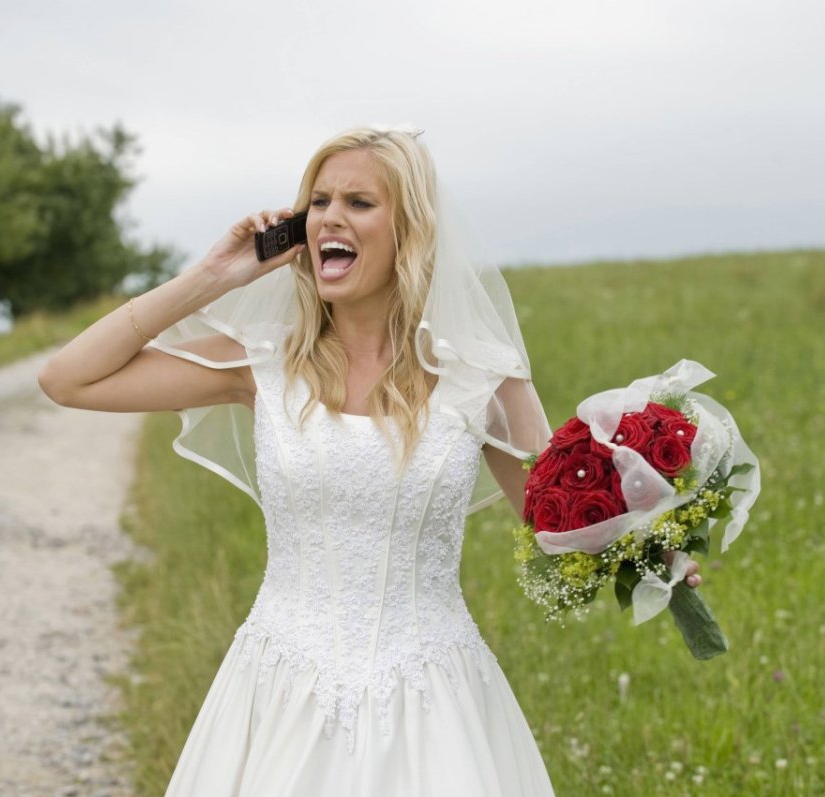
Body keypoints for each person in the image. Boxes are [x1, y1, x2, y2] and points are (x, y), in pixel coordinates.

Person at [38, 124, 701, 796]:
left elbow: (561, 522)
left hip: (433, 701)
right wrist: (212, 276)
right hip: (279, 690)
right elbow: (68, 379)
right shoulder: (262, 364)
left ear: (408, 229)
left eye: (359, 202)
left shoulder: (481, 378)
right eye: (320, 200)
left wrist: (651, 539)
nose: (331, 215)